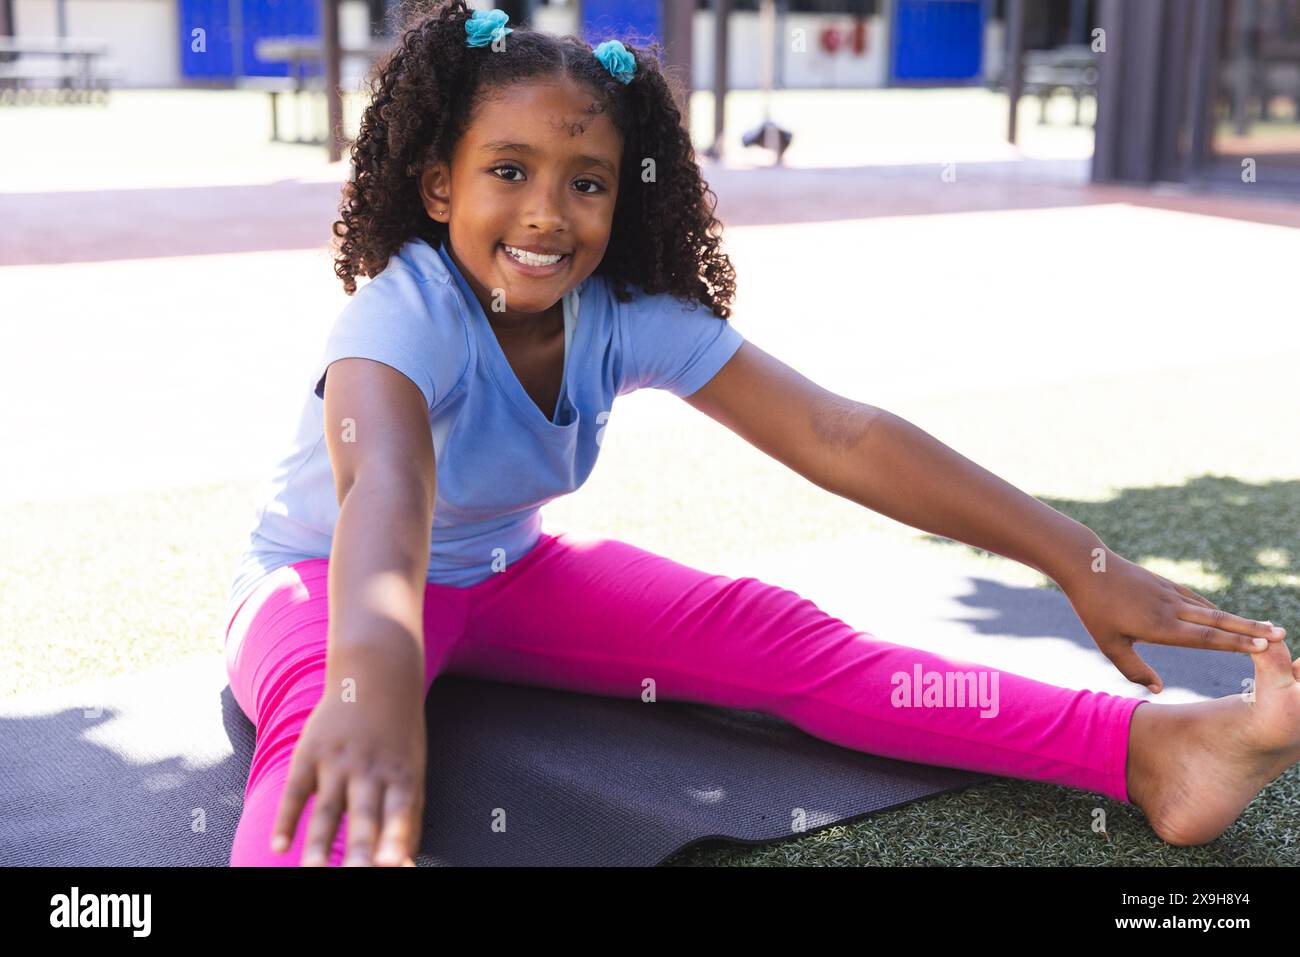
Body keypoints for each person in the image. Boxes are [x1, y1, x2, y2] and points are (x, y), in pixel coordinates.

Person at [222, 1, 1298, 867]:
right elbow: (385, 488)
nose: (548, 212)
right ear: (438, 184)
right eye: (508, 171)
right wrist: (370, 675)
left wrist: (1078, 557)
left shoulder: (621, 313)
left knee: (781, 637)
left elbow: (837, 433)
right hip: (325, 586)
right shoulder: (397, 314)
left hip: (509, 574)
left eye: (585, 182)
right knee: (330, 743)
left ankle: (1151, 750)